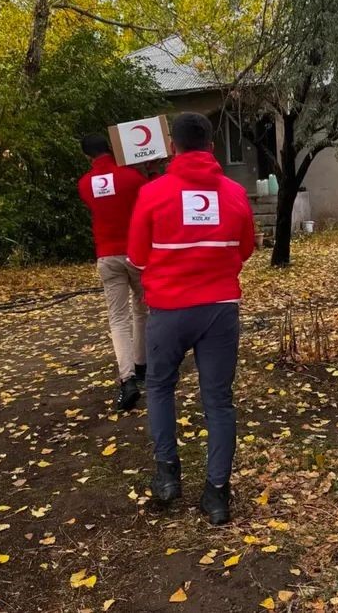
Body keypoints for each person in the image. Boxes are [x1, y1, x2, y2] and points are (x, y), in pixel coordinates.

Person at [128, 112, 255, 525]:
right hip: (220, 310)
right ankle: (217, 495)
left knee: (160, 387)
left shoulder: (152, 193)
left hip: (168, 311)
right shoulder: (235, 193)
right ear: (212, 147)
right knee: (218, 400)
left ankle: (167, 476)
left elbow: (137, 256)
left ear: (172, 146)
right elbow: (247, 248)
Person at [77, 132, 148, 412]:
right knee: (142, 310)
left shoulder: (84, 185)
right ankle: (142, 366)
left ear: (87, 156)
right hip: (137, 253)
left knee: (118, 318)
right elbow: (146, 196)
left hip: (107, 256)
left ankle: (127, 378)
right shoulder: (131, 178)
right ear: (111, 149)